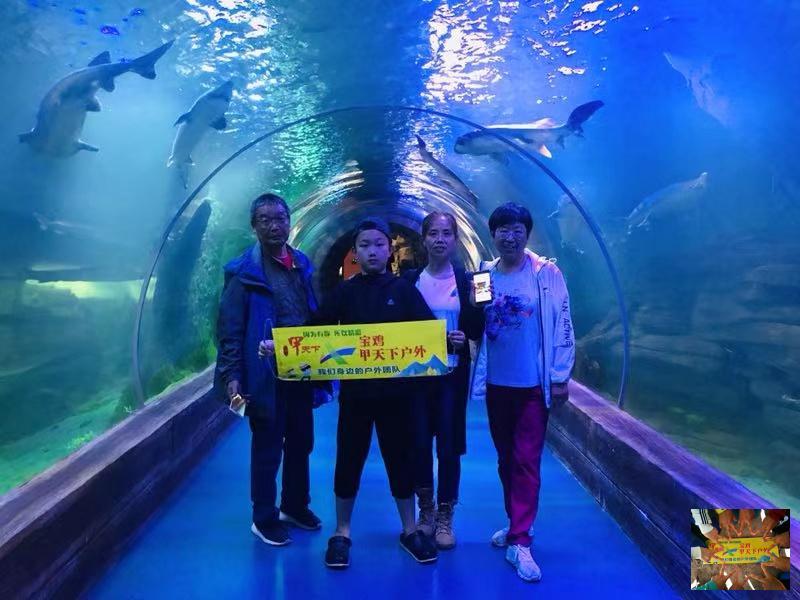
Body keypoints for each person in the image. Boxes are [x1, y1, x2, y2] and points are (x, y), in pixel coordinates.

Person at [315, 217, 439, 569]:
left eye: (379, 244)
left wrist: (449, 340)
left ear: (389, 249)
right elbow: (313, 333)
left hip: (397, 398)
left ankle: (409, 529)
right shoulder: (344, 292)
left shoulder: (404, 291)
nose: (372, 251)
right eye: (365, 245)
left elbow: (428, 333)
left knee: (400, 461)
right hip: (355, 397)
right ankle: (342, 531)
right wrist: (279, 348)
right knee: (348, 460)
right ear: (355, 252)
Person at [470, 202, 575, 582]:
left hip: (532, 385)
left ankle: (521, 540)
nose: (510, 236)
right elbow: (476, 323)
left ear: (527, 234)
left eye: (517, 229)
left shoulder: (546, 274)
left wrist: (560, 375)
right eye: (503, 229)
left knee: (526, 460)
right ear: (493, 234)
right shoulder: (484, 274)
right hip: (498, 383)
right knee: (505, 460)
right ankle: (516, 523)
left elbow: (563, 323)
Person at [215, 193, 323, 547]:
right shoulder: (242, 272)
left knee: (302, 441)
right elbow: (230, 330)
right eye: (266, 219)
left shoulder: (301, 263)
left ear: (289, 221)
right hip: (264, 373)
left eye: (280, 218)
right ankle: (263, 518)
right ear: (254, 226)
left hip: (300, 369)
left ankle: (295, 506)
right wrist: (233, 376)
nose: (275, 225)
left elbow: (311, 313)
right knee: (267, 446)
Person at [402, 212, 484, 549]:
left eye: (446, 233)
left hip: (452, 375)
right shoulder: (408, 281)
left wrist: (467, 332)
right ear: (423, 239)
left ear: (455, 239)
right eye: (433, 233)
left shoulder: (473, 281)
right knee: (419, 443)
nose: (440, 239)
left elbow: (478, 330)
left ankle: (446, 515)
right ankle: (426, 510)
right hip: (418, 378)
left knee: (449, 447)